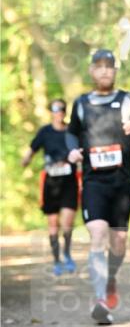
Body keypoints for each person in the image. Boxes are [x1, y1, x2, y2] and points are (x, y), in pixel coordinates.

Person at [67, 49, 130, 325]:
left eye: (109, 66)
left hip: (122, 182)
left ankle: (111, 277)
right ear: (91, 71)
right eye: (99, 66)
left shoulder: (128, 100)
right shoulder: (81, 103)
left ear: (115, 71)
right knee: (97, 234)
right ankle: (100, 299)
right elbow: (71, 132)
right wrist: (72, 151)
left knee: (118, 241)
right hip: (93, 181)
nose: (105, 71)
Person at [22, 99, 79, 275]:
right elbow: (32, 149)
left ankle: (67, 254)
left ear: (65, 111)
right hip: (51, 183)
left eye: (61, 109)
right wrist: (26, 160)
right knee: (53, 223)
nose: (58, 112)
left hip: (69, 181)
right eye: (55, 109)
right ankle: (56, 260)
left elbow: (81, 150)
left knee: (67, 222)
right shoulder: (45, 132)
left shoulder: (71, 131)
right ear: (51, 111)